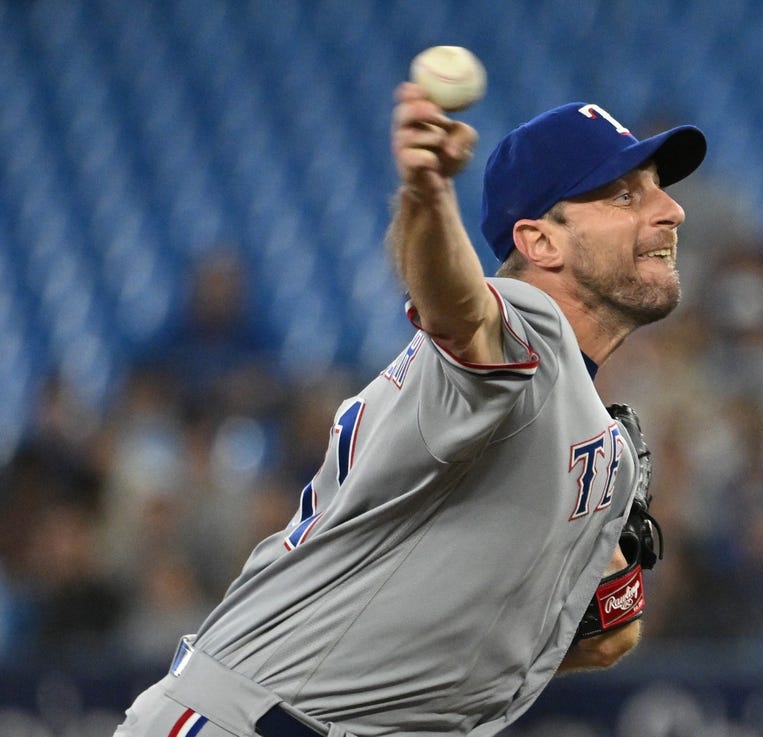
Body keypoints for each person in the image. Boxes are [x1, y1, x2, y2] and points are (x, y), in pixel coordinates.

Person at [112, 82, 706, 737]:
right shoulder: (524, 330)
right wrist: (427, 197)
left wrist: (602, 577)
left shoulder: (597, 439)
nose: (671, 210)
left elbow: (606, 637)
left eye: (656, 187)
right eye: (626, 194)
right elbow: (460, 310)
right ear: (540, 242)